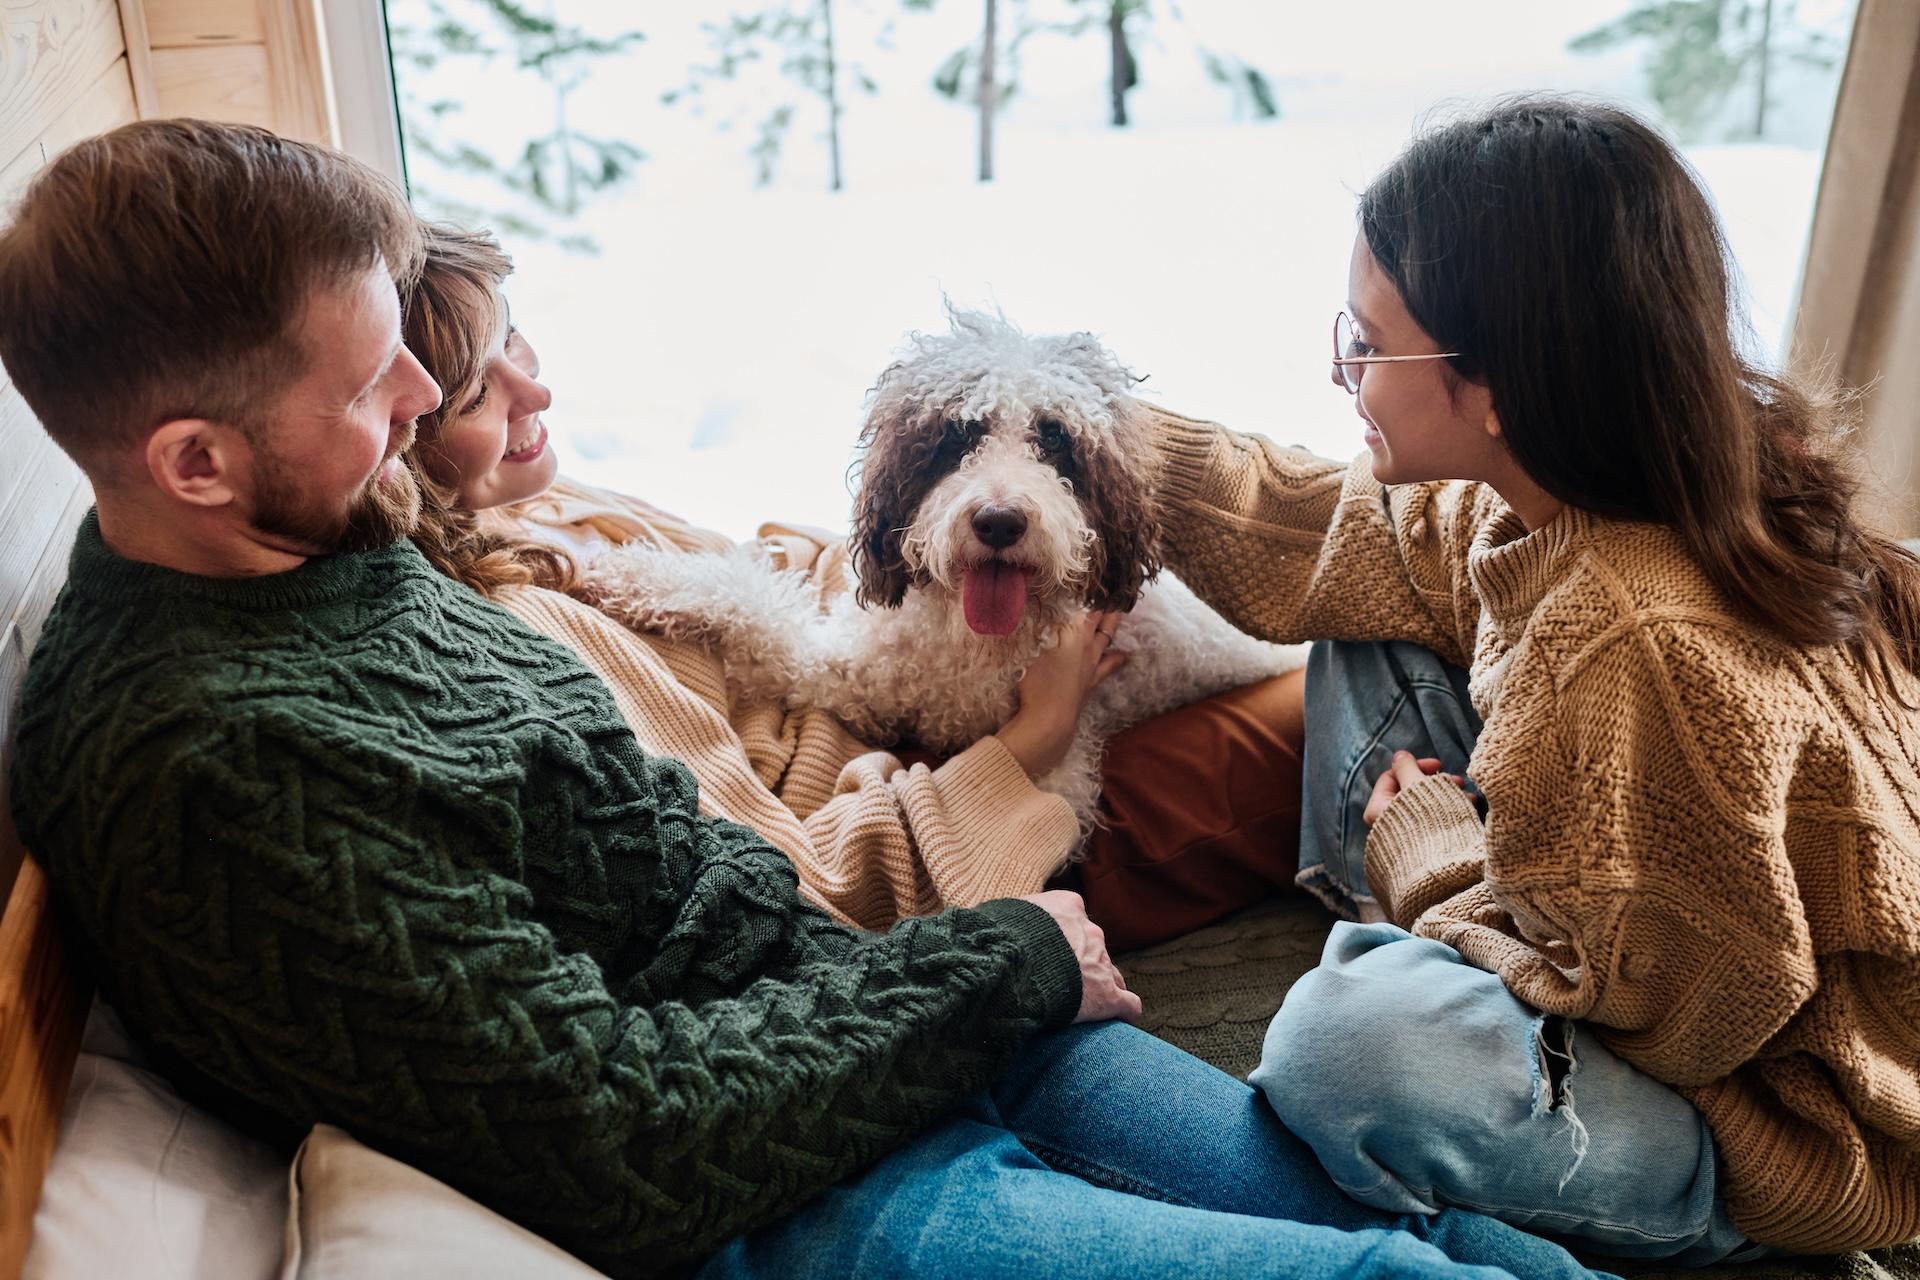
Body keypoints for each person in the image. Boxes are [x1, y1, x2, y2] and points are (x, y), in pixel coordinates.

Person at [0, 120, 1606, 1280]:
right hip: (786, 1187)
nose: (426, 404)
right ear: (194, 462)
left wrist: (960, 977)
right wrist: (993, 957)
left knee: (1434, 1226)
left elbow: (697, 868)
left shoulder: (312, 547)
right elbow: (623, 1135)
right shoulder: (222, 773)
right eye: (370, 386)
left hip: (868, 1010)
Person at [1137, 95, 1920, 1262]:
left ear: (1495, 379)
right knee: (1359, 616)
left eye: (1369, 342)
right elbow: (1339, 529)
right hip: (1642, 900)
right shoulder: (1619, 463)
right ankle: (1454, 923)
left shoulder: (1631, 640)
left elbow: (1673, 1016)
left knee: (1349, 1049)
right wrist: (1097, 435)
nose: (1344, 372)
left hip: (1772, 1109)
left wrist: (1435, 862)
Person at [392, 220, 1306, 946]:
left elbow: (770, 575)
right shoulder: (516, 617)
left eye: (517, 338)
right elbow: (795, 872)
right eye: (479, 390)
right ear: (398, 423)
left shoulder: (549, 500)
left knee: (1336, 667)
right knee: (1341, 701)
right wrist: (1043, 725)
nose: (537, 395)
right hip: (977, 819)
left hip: (929, 715)